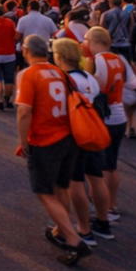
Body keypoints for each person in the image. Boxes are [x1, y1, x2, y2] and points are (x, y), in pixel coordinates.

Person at [15, 34, 90, 265]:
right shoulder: (60, 73)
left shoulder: (29, 75)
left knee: (44, 191)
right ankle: (61, 228)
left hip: (45, 139)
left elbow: (24, 111)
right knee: (61, 187)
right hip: (68, 136)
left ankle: (73, 238)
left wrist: (24, 142)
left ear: (27, 50)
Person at [54, 37, 109, 247]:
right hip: (92, 130)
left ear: (60, 56)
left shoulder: (64, 79)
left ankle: (84, 229)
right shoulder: (89, 77)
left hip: (74, 134)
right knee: (96, 177)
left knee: (75, 182)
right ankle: (103, 221)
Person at [87, 27, 130, 223]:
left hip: (106, 116)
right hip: (119, 113)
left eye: (87, 40)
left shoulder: (99, 60)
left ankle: (104, 210)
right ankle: (112, 204)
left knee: (100, 167)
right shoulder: (118, 59)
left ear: (95, 41)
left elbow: (96, 89)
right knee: (111, 166)